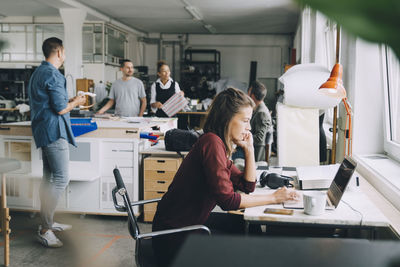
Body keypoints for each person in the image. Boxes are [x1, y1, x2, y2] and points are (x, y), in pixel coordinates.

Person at [152, 87, 298, 266]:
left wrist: (249, 149)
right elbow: (228, 201)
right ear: (228, 119)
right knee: (250, 240)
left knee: (248, 228)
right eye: (245, 121)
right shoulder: (212, 143)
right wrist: (274, 198)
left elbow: (247, 186)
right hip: (176, 238)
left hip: (189, 226)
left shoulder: (217, 144)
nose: (249, 128)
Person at [28, 37, 86, 248]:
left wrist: (70, 102)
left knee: (49, 178)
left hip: (43, 130)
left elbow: (53, 103)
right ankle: (45, 229)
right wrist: (78, 102)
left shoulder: (38, 73)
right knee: (61, 178)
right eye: (64, 52)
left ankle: (48, 222)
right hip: (54, 132)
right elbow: (61, 109)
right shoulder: (54, 74)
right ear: (60, 52)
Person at [248, 80, 273, 162]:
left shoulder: (261, 112)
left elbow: (259, 138)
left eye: (248, 93)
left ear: (253, 96)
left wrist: (243, 138)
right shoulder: (258, 109)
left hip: (257, 154)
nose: (247, 95)